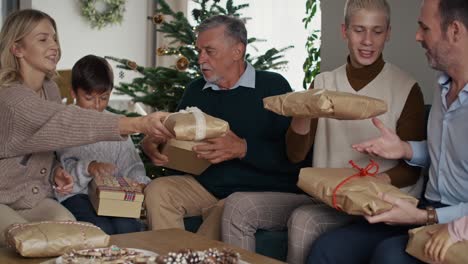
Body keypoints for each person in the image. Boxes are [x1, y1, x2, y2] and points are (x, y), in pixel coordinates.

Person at [221, 0, 426, 263]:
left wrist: (358, 187)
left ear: (388, 33)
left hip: (373, 204)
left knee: (305, 220)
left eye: (377, 31)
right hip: (323, 198)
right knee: (238, 205)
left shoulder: (406, 88)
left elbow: (411, 169)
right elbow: (295, 155)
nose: (367, 41)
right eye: (358, 30)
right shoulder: (323, 83)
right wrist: (301, 114)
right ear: (344, 31)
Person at [307, 0, 468, 263]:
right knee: (327, 250)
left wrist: (434, 219)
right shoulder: (443, 88)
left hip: (452, 219)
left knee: (389, 256)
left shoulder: (408, 87)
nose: (417, 36)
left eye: (424, 28)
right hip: (424, 210)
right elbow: (449, 154)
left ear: (455, 31)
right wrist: (405, 149)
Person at [0, 9, 172, 246]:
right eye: (42, 39)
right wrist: (137, 123)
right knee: (26, 242)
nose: (54, 46)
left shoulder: (49, 90)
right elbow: (61, 121)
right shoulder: (11, 98)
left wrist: (56, 171)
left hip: (36, 197)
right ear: (17, 49)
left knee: (75, 236)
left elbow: (41, 146)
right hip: (2, 198)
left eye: (54, 38)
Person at [141, 15, 303, 239]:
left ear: (237, 51)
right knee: (159, 190)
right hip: (206, 186)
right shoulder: (196, 90)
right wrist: (156, 147)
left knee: (227, 209)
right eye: (199, 51)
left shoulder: (274, 86)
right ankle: (172, 255)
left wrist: (243, 148)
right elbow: (179, 151)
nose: (200, 59)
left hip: (255, 191)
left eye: (209, 51)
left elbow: (296, 158)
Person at [56, 55, 151, 235]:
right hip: (76, 195)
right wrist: (89, 167)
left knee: (127, 227)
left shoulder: (116, 125)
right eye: (89, 98)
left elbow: (132, 165)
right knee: (101, 229)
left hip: (111, 195)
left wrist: (138, 183)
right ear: (74, 93)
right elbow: (61, 171)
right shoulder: (65, 123)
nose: (97, 106)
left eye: (104, 97)